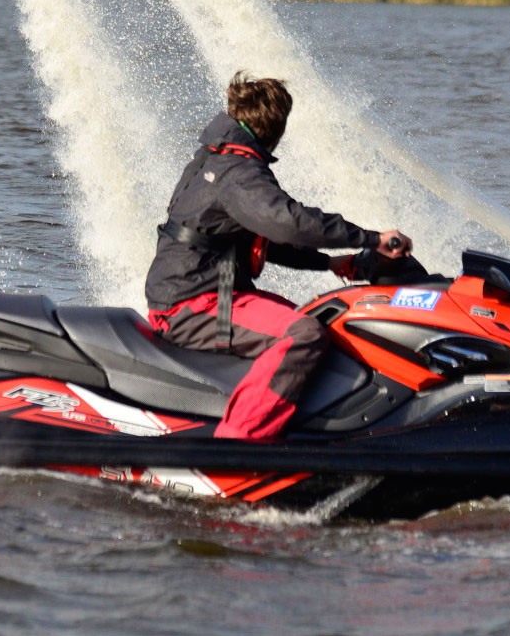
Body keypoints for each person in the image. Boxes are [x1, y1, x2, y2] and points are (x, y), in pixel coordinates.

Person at [145, 74, 412, 441]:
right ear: (277, 127)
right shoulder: (238, 172)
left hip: (197, 292)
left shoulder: (217, 158)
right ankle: (239, 441)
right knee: (303, 333)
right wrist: (371, 237)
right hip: (193, 304)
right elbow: (290, 222)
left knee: (318, 318)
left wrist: (331, 264)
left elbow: (264, 237)